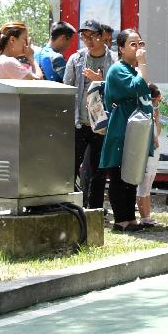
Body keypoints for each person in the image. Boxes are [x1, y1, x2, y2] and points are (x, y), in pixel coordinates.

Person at [99, 29, 152, 232]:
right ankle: (121, 219)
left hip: (135, 128)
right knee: (120, 174)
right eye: (132, 44)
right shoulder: (117, 69)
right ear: (120, 48)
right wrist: (143, 64)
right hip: (122, 127)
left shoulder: (132, 68)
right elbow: (138, 87)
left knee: (132, 173)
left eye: (140, 42)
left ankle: (130, 218)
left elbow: (145, 89)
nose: (138, 47)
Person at [64, 19, 116, 209]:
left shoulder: (113, 61)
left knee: (97, 171)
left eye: (92, 35)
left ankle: (94, 211)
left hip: (102, 124)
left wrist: (101, 81)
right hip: (79, 123)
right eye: (84, 36)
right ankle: (70, 206)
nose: (88, 40)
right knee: (69, 168)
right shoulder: (76, 59)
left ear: (103, 36)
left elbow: (117, 91)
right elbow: (67, 89)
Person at [136, 83, 163, 227]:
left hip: (154, 151)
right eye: (158, 101)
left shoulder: (153, 112)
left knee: (149, 181)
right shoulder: (143, 112)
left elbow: (158, 132)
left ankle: (147, 215)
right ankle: (144, 217)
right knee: (144, 183)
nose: (158, 104)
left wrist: (157, 115)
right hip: (146, 151)